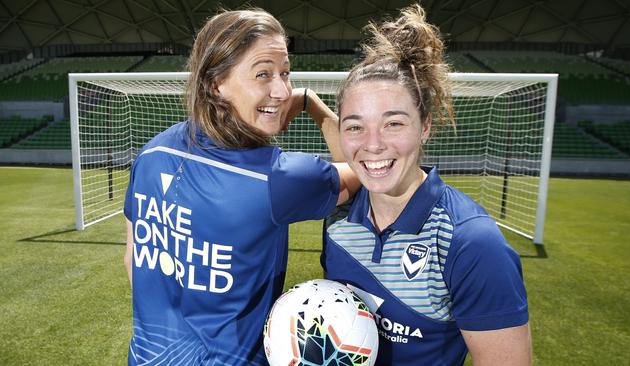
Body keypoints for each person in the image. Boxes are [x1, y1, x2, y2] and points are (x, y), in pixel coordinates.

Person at [123, 8, 358, 365]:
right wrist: (312, 104)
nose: (281, 90)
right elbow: (366, 168)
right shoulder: (279, 179)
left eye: (286, 74)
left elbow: (133, 260)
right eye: (263, 74)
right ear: (216, 83)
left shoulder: (152, 153)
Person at [321, 4, 532, 365]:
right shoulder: (339, 217)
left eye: (394, 124)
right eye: (355, 126)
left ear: (425, 127)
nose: (372, 144)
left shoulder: (471, 243)